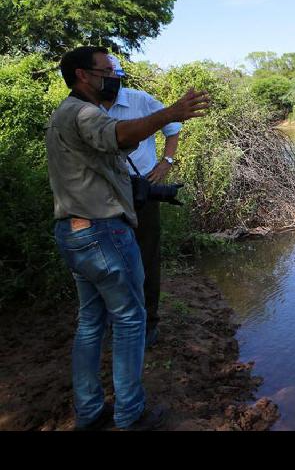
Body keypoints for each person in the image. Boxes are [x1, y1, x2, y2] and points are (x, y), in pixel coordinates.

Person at [45, 46, 209, 430]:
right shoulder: (84, 112)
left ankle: (88, 412)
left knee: (90, 322)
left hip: (74, 231)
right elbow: (117, 134)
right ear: (83, 76)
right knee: (130, 319)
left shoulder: (65, 115)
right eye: (107, 70)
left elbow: (112, 147)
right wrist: (169, 113)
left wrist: (159, 160)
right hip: (102, 232)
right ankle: (129, 414)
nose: (114, 75)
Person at [100, 55, 179, 349]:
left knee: (145, 255)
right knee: (109, 258)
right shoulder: (87, 107)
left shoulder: (140, 100)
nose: (108, 80)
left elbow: (172, 128)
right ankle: (116, 320)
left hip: (141, 189)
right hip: (103, 191)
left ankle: (149, 323)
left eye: (113, 74)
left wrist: (166, 162)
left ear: (119, 76)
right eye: (104, 74)